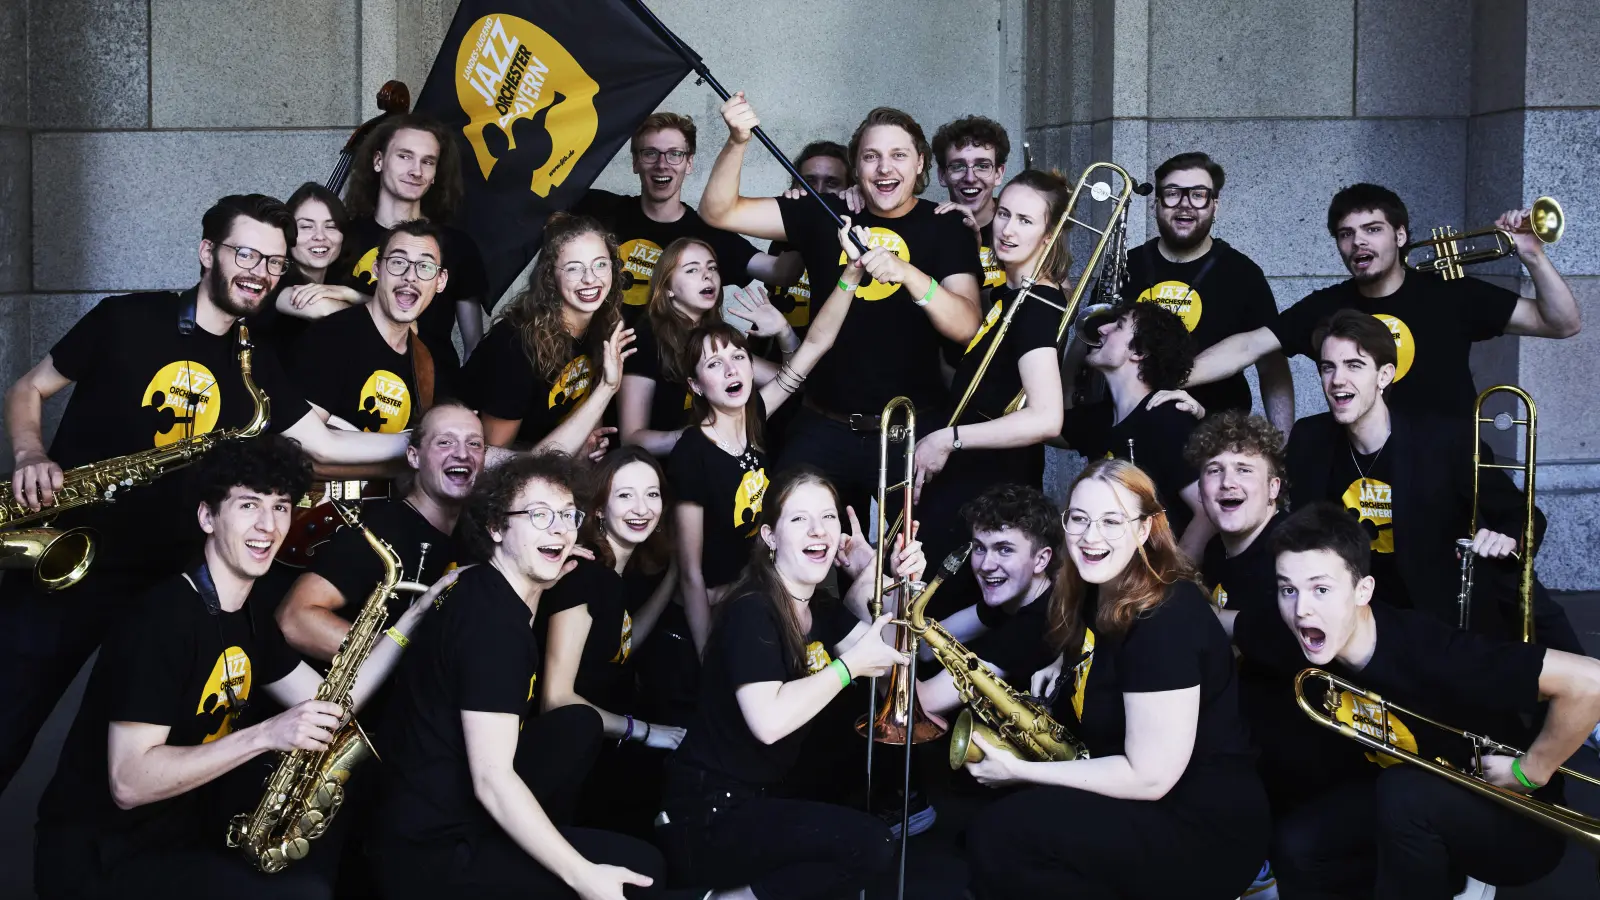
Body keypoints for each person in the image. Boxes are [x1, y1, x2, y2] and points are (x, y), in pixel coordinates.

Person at [0, 194, 414, 795]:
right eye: (246, 253)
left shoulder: (256, 361)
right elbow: (29, 388)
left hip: (165, 580)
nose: (260, 272)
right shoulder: (126, 319)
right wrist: (30, 454)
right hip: (68, 554)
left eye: (274, 262)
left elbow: (323, 446)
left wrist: (429, 443)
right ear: (207, 252)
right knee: (9, 717)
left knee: (113, 746)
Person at [32, 435, 445, 900]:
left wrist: (415, 616)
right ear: (208, 516)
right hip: (99, 857)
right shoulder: (161, 620)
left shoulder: (250, 616)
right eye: (249, 505)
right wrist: (267, 734)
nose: (268, 526)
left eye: (282, 506)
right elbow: (129, 782)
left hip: (179, 834)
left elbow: (336, 704)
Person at [1255, 503, 1600, 898]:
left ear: (1362, 590)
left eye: (1321, 589)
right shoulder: (1289, 632)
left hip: (1515, 820)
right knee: (1297, 845)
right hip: (1411, 804)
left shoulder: (1434, 653)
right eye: (1288, 590)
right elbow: (1233, 625)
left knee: (1403, 795)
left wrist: (1530, 771)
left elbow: (1591, 682)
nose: (1301, 609)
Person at [370, 452, 673, 899]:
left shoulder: (487, 590)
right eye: (539, 515)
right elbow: (492, 780)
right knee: (642, 869)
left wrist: (542, 578)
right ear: (495, 527)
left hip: (440, 815)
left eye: (567, 516)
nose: (560, 530)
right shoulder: (492, 626)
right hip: (433, 852)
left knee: (575, 726)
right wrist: (583, 875)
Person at [963, 458, 1268, 899]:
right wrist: (1063, 664)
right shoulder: (1099, 585)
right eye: (1080, 519)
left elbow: (1149, 777)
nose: (1090, 537)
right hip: (1158, 804)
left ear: (1144, 530)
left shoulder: (1165, 622)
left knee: (1002, 838)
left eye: (1111, 521)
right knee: (993, 831)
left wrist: (1021, 770)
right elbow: (1099, 645)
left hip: (1202, 828)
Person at [701, 93, 983, 520]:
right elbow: (718, 211)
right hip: (823, 426)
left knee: (910, 566)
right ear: (856, 168)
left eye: (898, 155)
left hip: (910, 430)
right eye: (871, 157)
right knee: (787, 541)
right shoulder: (826, 214)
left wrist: (909, 275)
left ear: (921, 163)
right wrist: (738, 141)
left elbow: (967, 326)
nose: (884, 168)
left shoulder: (945, 226)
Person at [657, 467, 909, 899]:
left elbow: (887, 662)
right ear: (770, 537)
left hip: (762, 794)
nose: (819, 530)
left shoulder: (821, 609)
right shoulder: (752, 609)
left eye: (828, 518)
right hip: (707, 814)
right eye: (799, 519)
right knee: (869, 846)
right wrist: (847, 668)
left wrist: (885, 579)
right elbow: (769, 720)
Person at [1284, 309, 1580, 650]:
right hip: (1353, 617)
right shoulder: (1309, 438)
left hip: (1436, 617)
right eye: (1328, 367)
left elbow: (1522, 515)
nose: (1337, 380)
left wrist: (1506, 540)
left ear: (1384, 376)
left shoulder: (1445, 441)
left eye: (1354, 365)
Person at [1185, 183, 1581, 417]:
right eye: (1346, 233)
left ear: (1401, 236)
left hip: (1447, 468)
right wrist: (1163, 380)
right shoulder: (1327, 306)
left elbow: (1562, 324)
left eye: (1373, 229)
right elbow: (1250, 344)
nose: (1358, 241)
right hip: (1363, 474)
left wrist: (1532, 254)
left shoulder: (1453, 293)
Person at [669, 221, 870, 654]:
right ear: (696, 386)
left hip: (771, 589)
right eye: (714, 364)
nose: (731, 370)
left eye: (738, 357)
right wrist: (709, 656)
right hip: (729, 604)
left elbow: (815, 345)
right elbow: (689, 574)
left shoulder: (756, 413)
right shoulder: (692, 452)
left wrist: (851, 275)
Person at [910, 169, 1067, 606]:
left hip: (992, 482)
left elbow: (1046, 416)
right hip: (973, 474)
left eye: (1026, 221)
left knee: (945, 604)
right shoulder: (1013, 296)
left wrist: (948, 439)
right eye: (1003, 214)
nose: (1008, 229)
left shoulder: (1036, 305)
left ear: (1049, 235)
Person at [539, 447, 682, 837]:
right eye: (625, 495)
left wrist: (675, 579)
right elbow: (557, 698)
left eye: (652, 494)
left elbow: (618, 650)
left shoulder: (614, 576)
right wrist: (645, 731)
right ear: (599, 508)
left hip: (597, 749)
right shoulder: (586, 575)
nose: (642, 508)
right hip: (567, 764)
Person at [276, 402, 483, 665]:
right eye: (445, 442)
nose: (462, 454)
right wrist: (405, 658)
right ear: (413, 457)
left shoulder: (473, 538)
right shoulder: (381, 527)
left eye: (474, 444)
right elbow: (295, 619)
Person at [1184, 411, 1295, 898]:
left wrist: (1210, 620)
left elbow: (1292, 640)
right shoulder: (1218, 555)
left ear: (1274, 488)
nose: (1227, 481)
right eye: (1214, 470)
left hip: (1295, 746)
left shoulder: (1294, 548)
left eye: (1244, 469)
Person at [1122, 152, 1293, 432]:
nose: (1185, 205)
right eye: (1173, 193)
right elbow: (1091, 342)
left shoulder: (1243, 274)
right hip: (1133, 432)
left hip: (1216, 436)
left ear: (1215, 205)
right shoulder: (1127, 265)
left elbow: (1272, 366)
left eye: (1198, 195)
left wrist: (1284, 447)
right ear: (1155, 204)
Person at [574, 112, 799, 322]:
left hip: (679, 362)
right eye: (650, 153)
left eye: (675, 154)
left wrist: (801, 214)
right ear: (635, 162)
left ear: (688, 163)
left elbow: (781, 273)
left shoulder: (709, 234)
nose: (662, 165)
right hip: (605, 358)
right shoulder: (600, 210)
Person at [458, 213, 632, 456]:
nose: (590, 278)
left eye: (600, 264)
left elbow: (583, 422)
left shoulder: (603, 327)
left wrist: (586, 445)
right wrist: (607, 387)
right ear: (550, 276)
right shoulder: (516, 343)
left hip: (549, 467)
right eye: (574, 268)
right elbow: (489, 459)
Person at [619, 237, 798, 457]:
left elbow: (789, 382)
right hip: (672, 474)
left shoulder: (718, 335)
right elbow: (631, 439)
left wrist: (784, 332)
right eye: (692, 270)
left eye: (712, 267)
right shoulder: (645, 338)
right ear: (667, 288)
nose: (707, 275)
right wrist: (702, 437)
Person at [1058, 301, 1207, 553]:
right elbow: (1043, 424)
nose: (1102, 329)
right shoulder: (1100, 419)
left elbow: (1206, 512)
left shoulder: (1167, 418)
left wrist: (1174, 582)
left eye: (1117, 326)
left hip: (1154, 581)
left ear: (1139, 351)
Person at [341, 113, 490, 360]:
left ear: (435, 175)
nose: (416, 171)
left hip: (432, 388)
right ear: (378, 161)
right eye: (404, 156)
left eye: (428, 162)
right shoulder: (342, 237)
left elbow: (474, 347)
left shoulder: (458, 246)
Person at [288, 220, 456, 434]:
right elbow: (301, 443)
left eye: (425, 266)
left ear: (440, 281)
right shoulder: (330, 337)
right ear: (377, 269)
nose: (410, 276)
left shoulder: (425, 362)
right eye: (397, 262)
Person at [913, 484, 1064, 719]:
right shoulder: (1013, 597)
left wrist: (862, 595)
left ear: (1041, 559)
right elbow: (923, 649)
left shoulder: (1035, 627)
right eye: (979, 548)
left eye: (1004, 550)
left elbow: (921, 703)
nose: (986, 565)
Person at [254, 182, 363, 358]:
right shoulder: (274, 278)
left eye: (331, 226)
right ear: (288, 234)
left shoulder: (341, 283)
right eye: (306, 226)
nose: (320, 236)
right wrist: (356, 299)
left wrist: (349, 293)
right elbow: (322, 310)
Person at [766, 140, 852, 333]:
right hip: (779, 352)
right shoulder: (783, 235)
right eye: (809, 181)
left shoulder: (858, 238)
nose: (818, 191)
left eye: (832, 182)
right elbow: (779, 280)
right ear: (795, 184)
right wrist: (793, 220)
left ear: (849, 190)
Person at [931, 115, 1010, 290]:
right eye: (958, 166)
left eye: (982, 166)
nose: (970, 178)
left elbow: (1065, 298)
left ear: (998, 174)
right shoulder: (929, 229)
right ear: (942, 175)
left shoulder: (1020, 224)